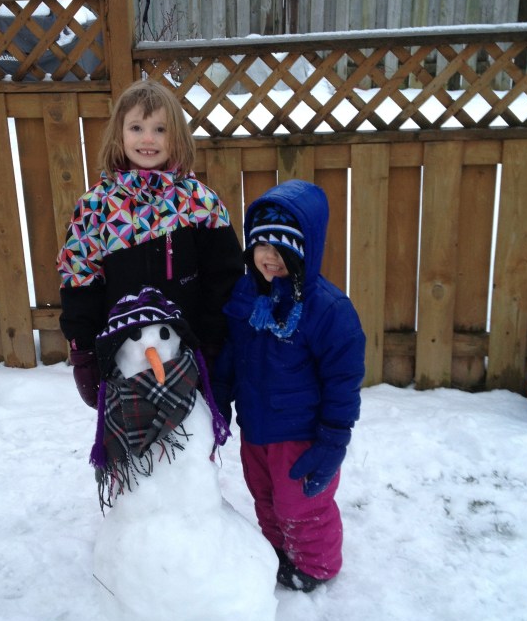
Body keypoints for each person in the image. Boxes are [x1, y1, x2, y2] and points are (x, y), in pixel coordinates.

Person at [214, 179, 366, 592]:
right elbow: (231, 354)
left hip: (300, 436)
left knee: (302, 505)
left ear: (307, 249)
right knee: (265, 498)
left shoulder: (328, 310)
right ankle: (277, 552)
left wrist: (333, 440)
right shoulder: (246, 295)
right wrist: (218, 402)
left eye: (283, 247)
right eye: (262, 245)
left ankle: (315, 566)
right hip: (255, 429)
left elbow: (342, 382)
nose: (270, 257)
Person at [57, 79, 244, 407]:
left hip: (191, 355)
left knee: (195, 436)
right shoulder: (97, 207)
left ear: (177, 137)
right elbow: (80, 279)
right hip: (123, 359)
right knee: (132, 437)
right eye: (136, 128)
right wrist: (83, 350)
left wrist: (216, 342)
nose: (148, 139)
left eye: (160, 129)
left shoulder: (199, 203)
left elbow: (224, 279)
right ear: (119, 134)